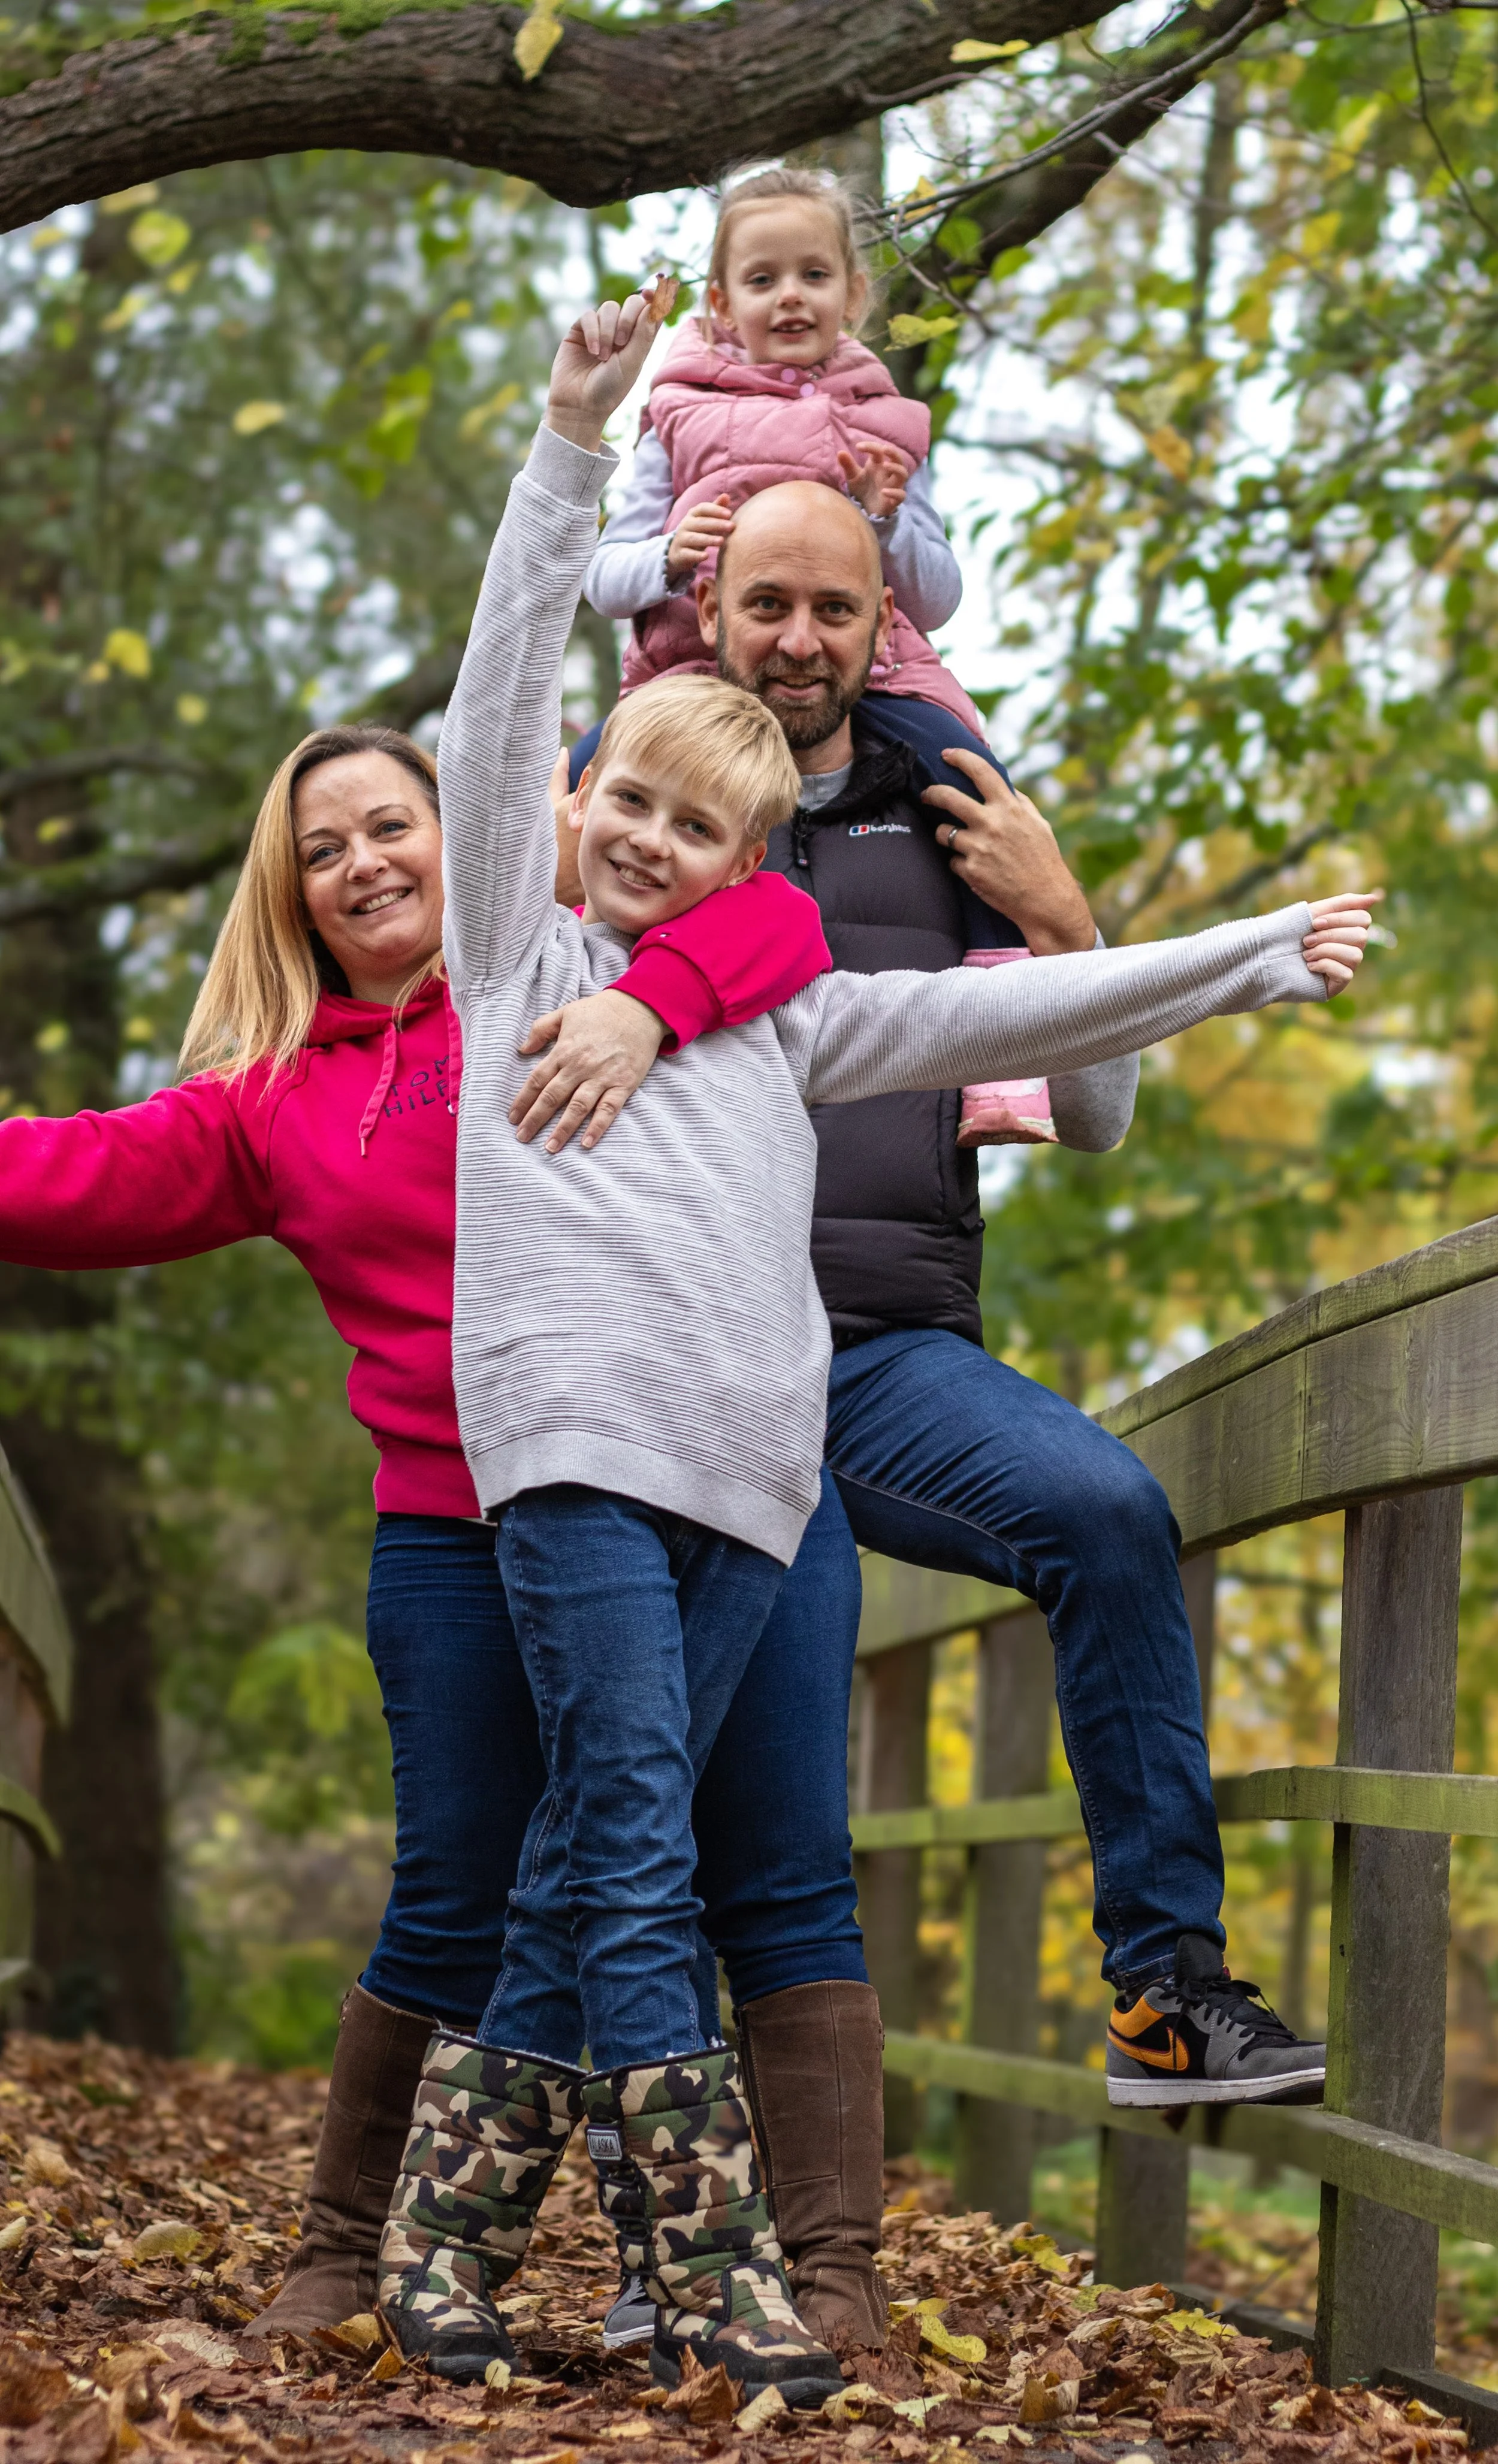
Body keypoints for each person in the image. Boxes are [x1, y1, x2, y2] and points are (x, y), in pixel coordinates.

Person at [372, 285, 1376, 2396]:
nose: (644, 842)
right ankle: (713, 2252)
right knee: (644, 1826)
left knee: (610, 1840)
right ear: (581, 798)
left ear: (761, 865)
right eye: (617, 806)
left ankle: (455, 2232)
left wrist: (1242, 955)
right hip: (580, 1451)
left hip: (769, 1456)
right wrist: (567, 448)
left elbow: (1021, 1026)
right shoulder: (518, 948)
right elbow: (496, 698)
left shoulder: (808, 983)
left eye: (694, 834)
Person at [0, 721, 847, 2335]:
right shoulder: (276, 1106)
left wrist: (639, 1002)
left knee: (714, 1868)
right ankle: (354, 2246)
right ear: (292, 898)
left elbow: (781, 920)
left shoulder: (574, 972)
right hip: (455, 1523)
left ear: (468, 837)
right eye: (322, 853)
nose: (362, 864)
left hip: (682, 1492)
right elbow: (73, 1174)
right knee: (464, 1882)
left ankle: (770, 2275)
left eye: (390, 825)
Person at [550, 468, 1363, 2127]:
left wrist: (1060, 919)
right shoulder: (621, 791)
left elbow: (1091, 1115)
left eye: (832, 608)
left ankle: (1162, 1991)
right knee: (734, 1769)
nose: (795, 637)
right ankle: (652, 2169)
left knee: (1105, 1510)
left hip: (881, 1356)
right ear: (704, 611)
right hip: (668, 1364)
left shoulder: (952, 808)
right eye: (764, 603)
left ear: (882, 625)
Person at [581, 163, 1050, 1150]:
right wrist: (669, 555)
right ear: (720, 302)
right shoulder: (676, 413)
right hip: (694, 679)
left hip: (875, 676)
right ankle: (582, 998)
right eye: (761, 280)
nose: (788, 297)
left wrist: (885, 516)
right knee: (594, 776)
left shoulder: (881, 420)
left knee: (967, 770)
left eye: (812, 275)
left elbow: (938, 596)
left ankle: (1005, 1049)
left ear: (851, 294)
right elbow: (603, 576)